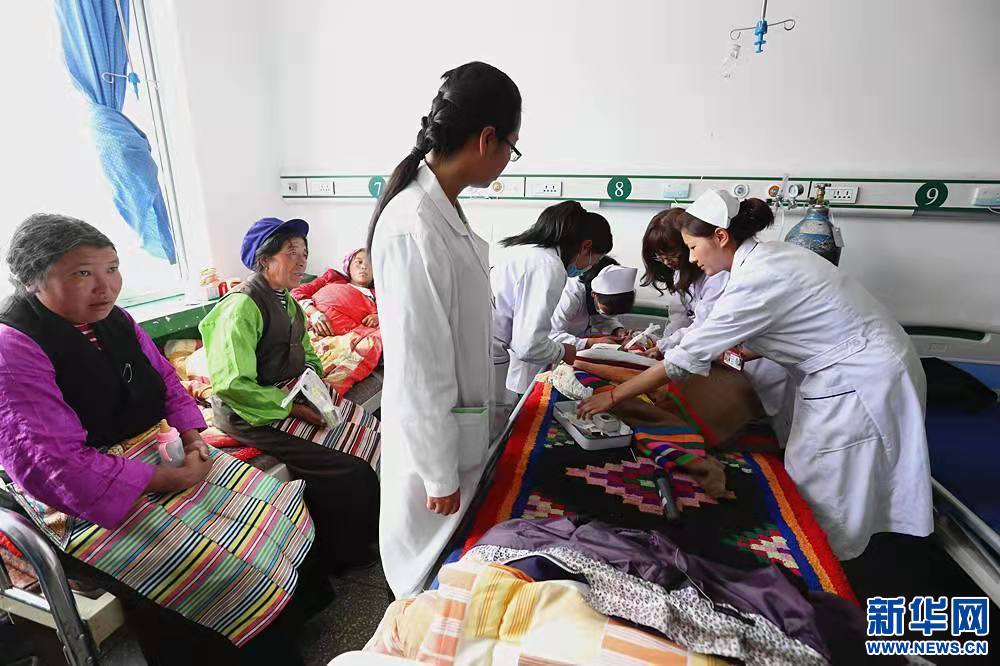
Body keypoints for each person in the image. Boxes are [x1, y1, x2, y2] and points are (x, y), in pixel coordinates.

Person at [0, 214, 328, 663]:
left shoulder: (115, 319)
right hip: (87, 492)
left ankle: (288, 625)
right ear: (33, 280)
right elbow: (53, 466)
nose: (106, 287)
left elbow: (166, 381)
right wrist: (170, 479)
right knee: (223, 567)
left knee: (277, 507)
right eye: (82, 274)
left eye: (112, 268)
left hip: (159, 448)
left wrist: (192, 437)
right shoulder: (12, 347)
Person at [580, 189, 932, 560]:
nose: (691, 257)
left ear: (720, 237)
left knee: (826, 478)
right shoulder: (771, 257)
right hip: (858, 366)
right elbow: (786, 324)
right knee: (830, 469)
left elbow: (683, 359)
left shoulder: (755, 279)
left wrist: (613, 396)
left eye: (693, 247)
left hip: (858, 377)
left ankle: (825, 567)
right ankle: (829, 552)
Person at [368, 61, 521, 598]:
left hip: (460, 429)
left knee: (453, 572)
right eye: (511, 148)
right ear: (487, 139)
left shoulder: (443, 212)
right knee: (427, 589)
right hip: (432, 451)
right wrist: (437, 473)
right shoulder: (412, 225)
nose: (507, 160)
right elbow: (420, 366)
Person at [199, 217, 379, 572]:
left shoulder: (289, 303)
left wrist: (313, 385)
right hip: (250, 410)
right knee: (348, 467)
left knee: (371, 432)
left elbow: (308, 354)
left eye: (304, 253)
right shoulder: (241, 307)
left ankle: (371, 532)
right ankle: (341, 555)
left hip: (290, 394)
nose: (301, 260)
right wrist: (293, 409)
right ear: (265, 259)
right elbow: (232, 384)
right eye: (291, 252)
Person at [642, 204, 792, 439]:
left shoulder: (727, 275)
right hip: (737, 355)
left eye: (690, 248)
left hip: (760, 366)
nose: (668, 261)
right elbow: (681, 317)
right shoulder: (690, 272)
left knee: (754, 426)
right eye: (659, 257)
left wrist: (614, 396)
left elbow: (703, 329)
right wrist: (666, 344)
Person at [492, 200, 614, 394]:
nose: (590, 266)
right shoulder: (548, 266)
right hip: (490, 355)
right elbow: (528, 346)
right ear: (586, 247)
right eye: (596, 259)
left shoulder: (530, 254)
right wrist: (564, 351)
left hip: (483, 349)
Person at [550, 258, 636, 350]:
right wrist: (591, 342)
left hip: (577, 343)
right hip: (555, 349)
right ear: (594, 294)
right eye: (606, 311)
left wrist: (617, 330)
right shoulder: (570, 296)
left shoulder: (601, 297)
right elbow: (551, 335)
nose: (610, 315)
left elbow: (601, 319)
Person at [292, 247, 379, 338]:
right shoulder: (331, 278)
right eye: (359, 262)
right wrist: (315, 314)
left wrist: (379, 318)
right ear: (349, 266)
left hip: (349, 336)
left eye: (370, 264)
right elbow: (296, 293)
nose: (364, 267)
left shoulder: (380, 297)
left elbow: (388, 317)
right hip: (307, 325)